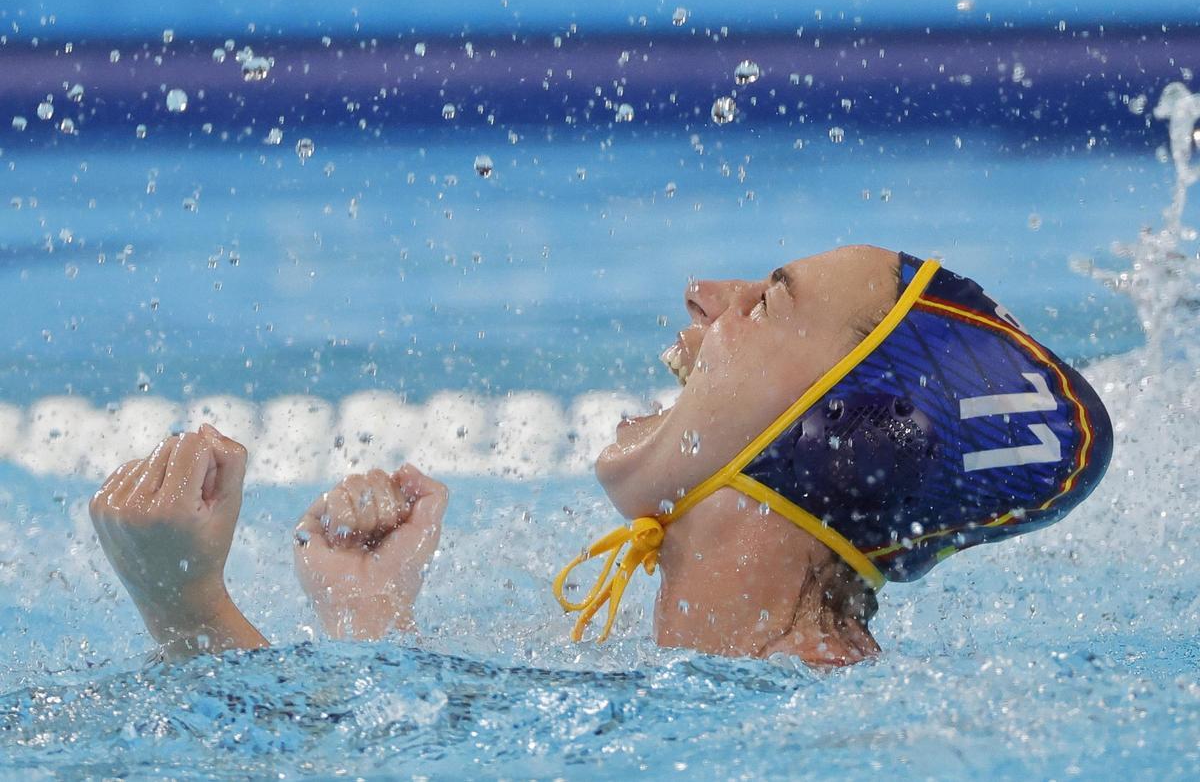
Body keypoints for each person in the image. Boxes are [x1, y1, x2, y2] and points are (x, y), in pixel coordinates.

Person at [88, 246, 1112, 665]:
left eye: (766, 300)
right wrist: (370, 626)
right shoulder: (736, 685)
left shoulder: (819, 730)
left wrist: (184, 604)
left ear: (837, 431)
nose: (702, 295)